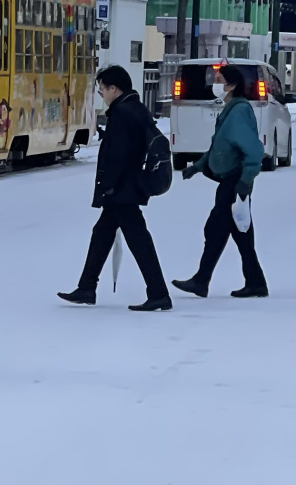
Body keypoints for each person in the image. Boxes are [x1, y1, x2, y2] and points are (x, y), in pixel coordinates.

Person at [58, 65, 171, 311]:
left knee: (139, 241)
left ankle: (159, 293)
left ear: (113, 88)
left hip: (122, 189)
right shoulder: (135, 109)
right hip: (126, 187)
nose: (103, 95)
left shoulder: (122, 114)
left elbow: (119, 155)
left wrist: (107, 187)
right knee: (102, 234)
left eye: (102, 90)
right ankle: (87, 287)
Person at [172, 62, 268, 300]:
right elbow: (220, 147)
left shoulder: (238, 112)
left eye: (218, 80)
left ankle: (202, 280)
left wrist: (245, 180)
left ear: (231, 85)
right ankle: (254, 282)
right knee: (240, 233)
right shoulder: (231, 110)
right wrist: (198, 166)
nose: (214, 85)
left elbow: (253, 150)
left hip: (235, 181)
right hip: (232, 180)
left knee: (217, 230)